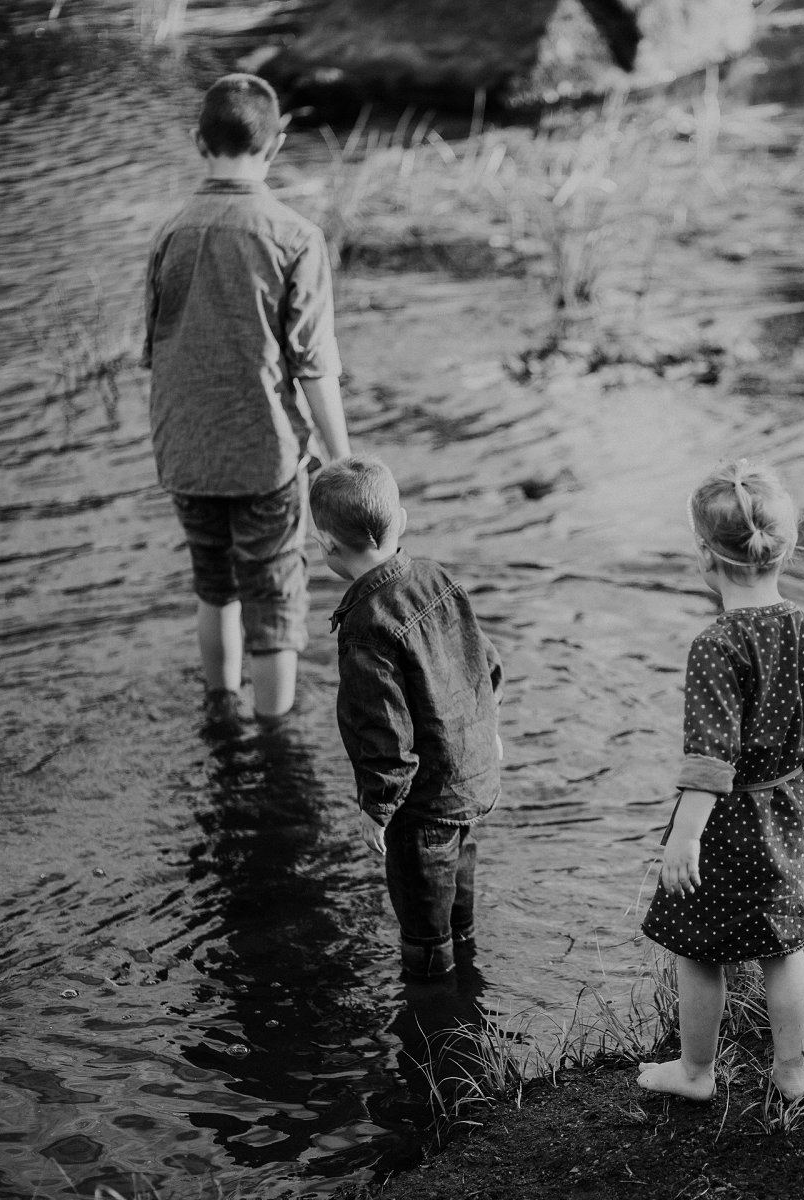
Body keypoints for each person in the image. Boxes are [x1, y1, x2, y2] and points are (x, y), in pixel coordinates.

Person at [143, 72, 351, 729]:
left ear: (199, 140)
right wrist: (341, 462)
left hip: (186, 450)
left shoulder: (169, 233)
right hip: (263, 451)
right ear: (278, 141)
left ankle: (221, 710)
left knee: (215, 586)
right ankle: (274, 736)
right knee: (273, 589)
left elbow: (152, 347)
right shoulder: (294, 236)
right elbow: (314, 364)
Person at [638, 459, 804, 1103]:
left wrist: (685, 837)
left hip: (724, 821)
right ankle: (791, 1071)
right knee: (784, 949)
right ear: (785, 547)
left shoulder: (717, 642)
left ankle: (696, 1073)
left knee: (700, 951)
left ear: (706, 556)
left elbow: (709, 757)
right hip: (789, 807)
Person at [310, 455, 504, 982]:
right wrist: (489, 731)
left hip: (421, 811)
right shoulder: (438, 578)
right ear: (402, 519)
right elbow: (484, 662)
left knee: (424, 935)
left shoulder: (365, 629)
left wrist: (377, 807)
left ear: (327, 545)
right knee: (459, 914)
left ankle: (434, 1028)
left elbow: (386, 737)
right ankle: (471, 1001)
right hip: (471, 781)